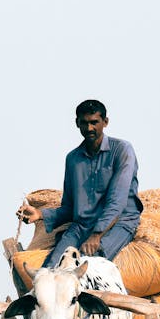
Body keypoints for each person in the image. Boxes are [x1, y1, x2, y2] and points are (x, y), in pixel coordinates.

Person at [17, 99, 143, 268]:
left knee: (87, 264)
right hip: (83, 225)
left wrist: (96, 235)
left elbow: (116, 202)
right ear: (77, 123)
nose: (89, 128)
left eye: (94, 122)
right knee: (50, 268)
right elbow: (69, 208)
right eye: (84, 123)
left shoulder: (122, 150)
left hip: (120, 221)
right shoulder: (73, 159)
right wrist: (40, 215)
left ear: (105, 122)